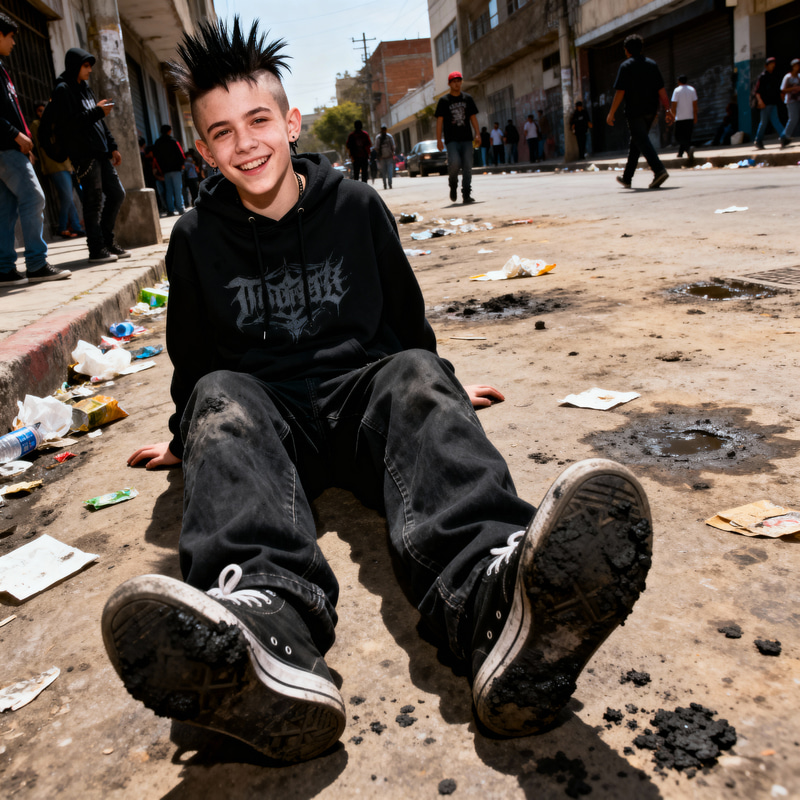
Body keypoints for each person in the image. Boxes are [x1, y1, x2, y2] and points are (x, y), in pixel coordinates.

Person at [105, 18, 653, 765]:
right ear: (204, 149)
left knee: (416, 377)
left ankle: (498, 600)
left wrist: (441, 393)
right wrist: (191, 436)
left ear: (291, 122)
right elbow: (192, 356)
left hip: (360, 395)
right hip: (268, 416)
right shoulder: (196, 237)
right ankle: (265, 631)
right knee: (219, 396)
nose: (247, 143)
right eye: (223, 132)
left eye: (259, 120)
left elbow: (405, 321)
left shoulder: (358, 206)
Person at [0, 15, 70, 285]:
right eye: (11, 36)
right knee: (34, 198)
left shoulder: (2, 69)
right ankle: (37, 264)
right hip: (6, 147)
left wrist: (22, 140)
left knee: (5, 209)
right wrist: (15, 134)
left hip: (10, 148)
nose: (15, 42)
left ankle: (4, 269)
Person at [50, 47, 128, 263]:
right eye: (86, 66)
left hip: (101, 152)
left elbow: (98, 121)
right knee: (93, 202)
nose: (90, 70)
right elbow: (69, 125)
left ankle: (107, 241)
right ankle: (96, 249)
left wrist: (112, 146)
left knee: (117, 194)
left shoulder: (86, 89)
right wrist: (97, 111)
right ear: (75, 66)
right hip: (84, 154)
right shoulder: (63, 90)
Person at [606, 34, 673, 189]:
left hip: (634, 111)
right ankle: (627, 177)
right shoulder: (652, 64)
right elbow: (661, 90)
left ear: (627, 50)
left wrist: (611, 113)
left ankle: (659, 170)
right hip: (651, 110)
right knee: (636, 142)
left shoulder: (626, 66)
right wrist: (668, 110)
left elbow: (620, 92)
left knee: (641, 140)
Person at [31, 100, 85, 239]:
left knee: (69, 197)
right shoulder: (37, 125)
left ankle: (76, 227)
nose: (43, 113)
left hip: (67, 164)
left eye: (45, 110)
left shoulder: (56, 123)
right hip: (54, 165)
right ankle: (62, 227)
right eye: (40, 111)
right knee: (67, 197)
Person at [435, 71, 480, 203]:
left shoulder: (467, 99)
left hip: (466, 138)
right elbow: (439, 121)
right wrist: (439, 139)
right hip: (451, 140)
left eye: (459, 80)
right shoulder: (444, 101)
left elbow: (473, 117)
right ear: (449, 84)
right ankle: (453, 185)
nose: (457, 83)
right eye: (454, 81)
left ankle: (466, 194)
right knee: (454, 163)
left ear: (461, 82)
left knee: (467, 166)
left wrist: (477, 133)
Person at [153, 124, 186, 215]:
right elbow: (181, 155)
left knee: (169, 191)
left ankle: (170, 210)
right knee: (178, 190)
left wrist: (160, 170)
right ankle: (180, 208)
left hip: (165, 171)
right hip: (176, 169)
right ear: (169, 131)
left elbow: (156, 158)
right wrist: (182, 165)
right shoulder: (174, 141)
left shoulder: (157, 142)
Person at [753, 57, 782, 150]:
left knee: (775, 120)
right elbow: (757, 91)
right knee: (764, 122)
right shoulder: (763, 77)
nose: (772, 66)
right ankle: (758, 140)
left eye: (773, 64)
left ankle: (784, 137)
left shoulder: (773, 76)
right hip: (765, 104)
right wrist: (760, 101)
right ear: (766, 66)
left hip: (773, 103)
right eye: (770, 64)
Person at [670, 76, 698, 160]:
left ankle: (688, 150)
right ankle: (681, 153)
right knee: (687, 136)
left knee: (678, 136)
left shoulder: (677, 90)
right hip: (690, 117)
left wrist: (673, 116)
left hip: (680, 118)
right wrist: (695, 116)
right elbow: (695, 105)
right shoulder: (692, 89)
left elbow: (674, 105)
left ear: (678, 81)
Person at [779, 58, 800, 148]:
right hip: (790, 100)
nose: (797, 67)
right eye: (795, 66)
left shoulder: (799, 76)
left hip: (798, 99)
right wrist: (794, 88)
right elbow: (783, 89)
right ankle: (784, 136)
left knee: (795, 118)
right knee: (793, 118)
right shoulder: (788, 77)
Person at [375, 125, 395, 189]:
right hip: (382, 158)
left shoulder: (389, 136)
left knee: (389, 171)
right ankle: (385, 184)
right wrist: (379, 156)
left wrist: (392, 153)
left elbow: (393, 146)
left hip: (389, 157)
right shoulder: (378, 137)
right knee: (383, 172)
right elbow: (377, 148)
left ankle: (390, 183)